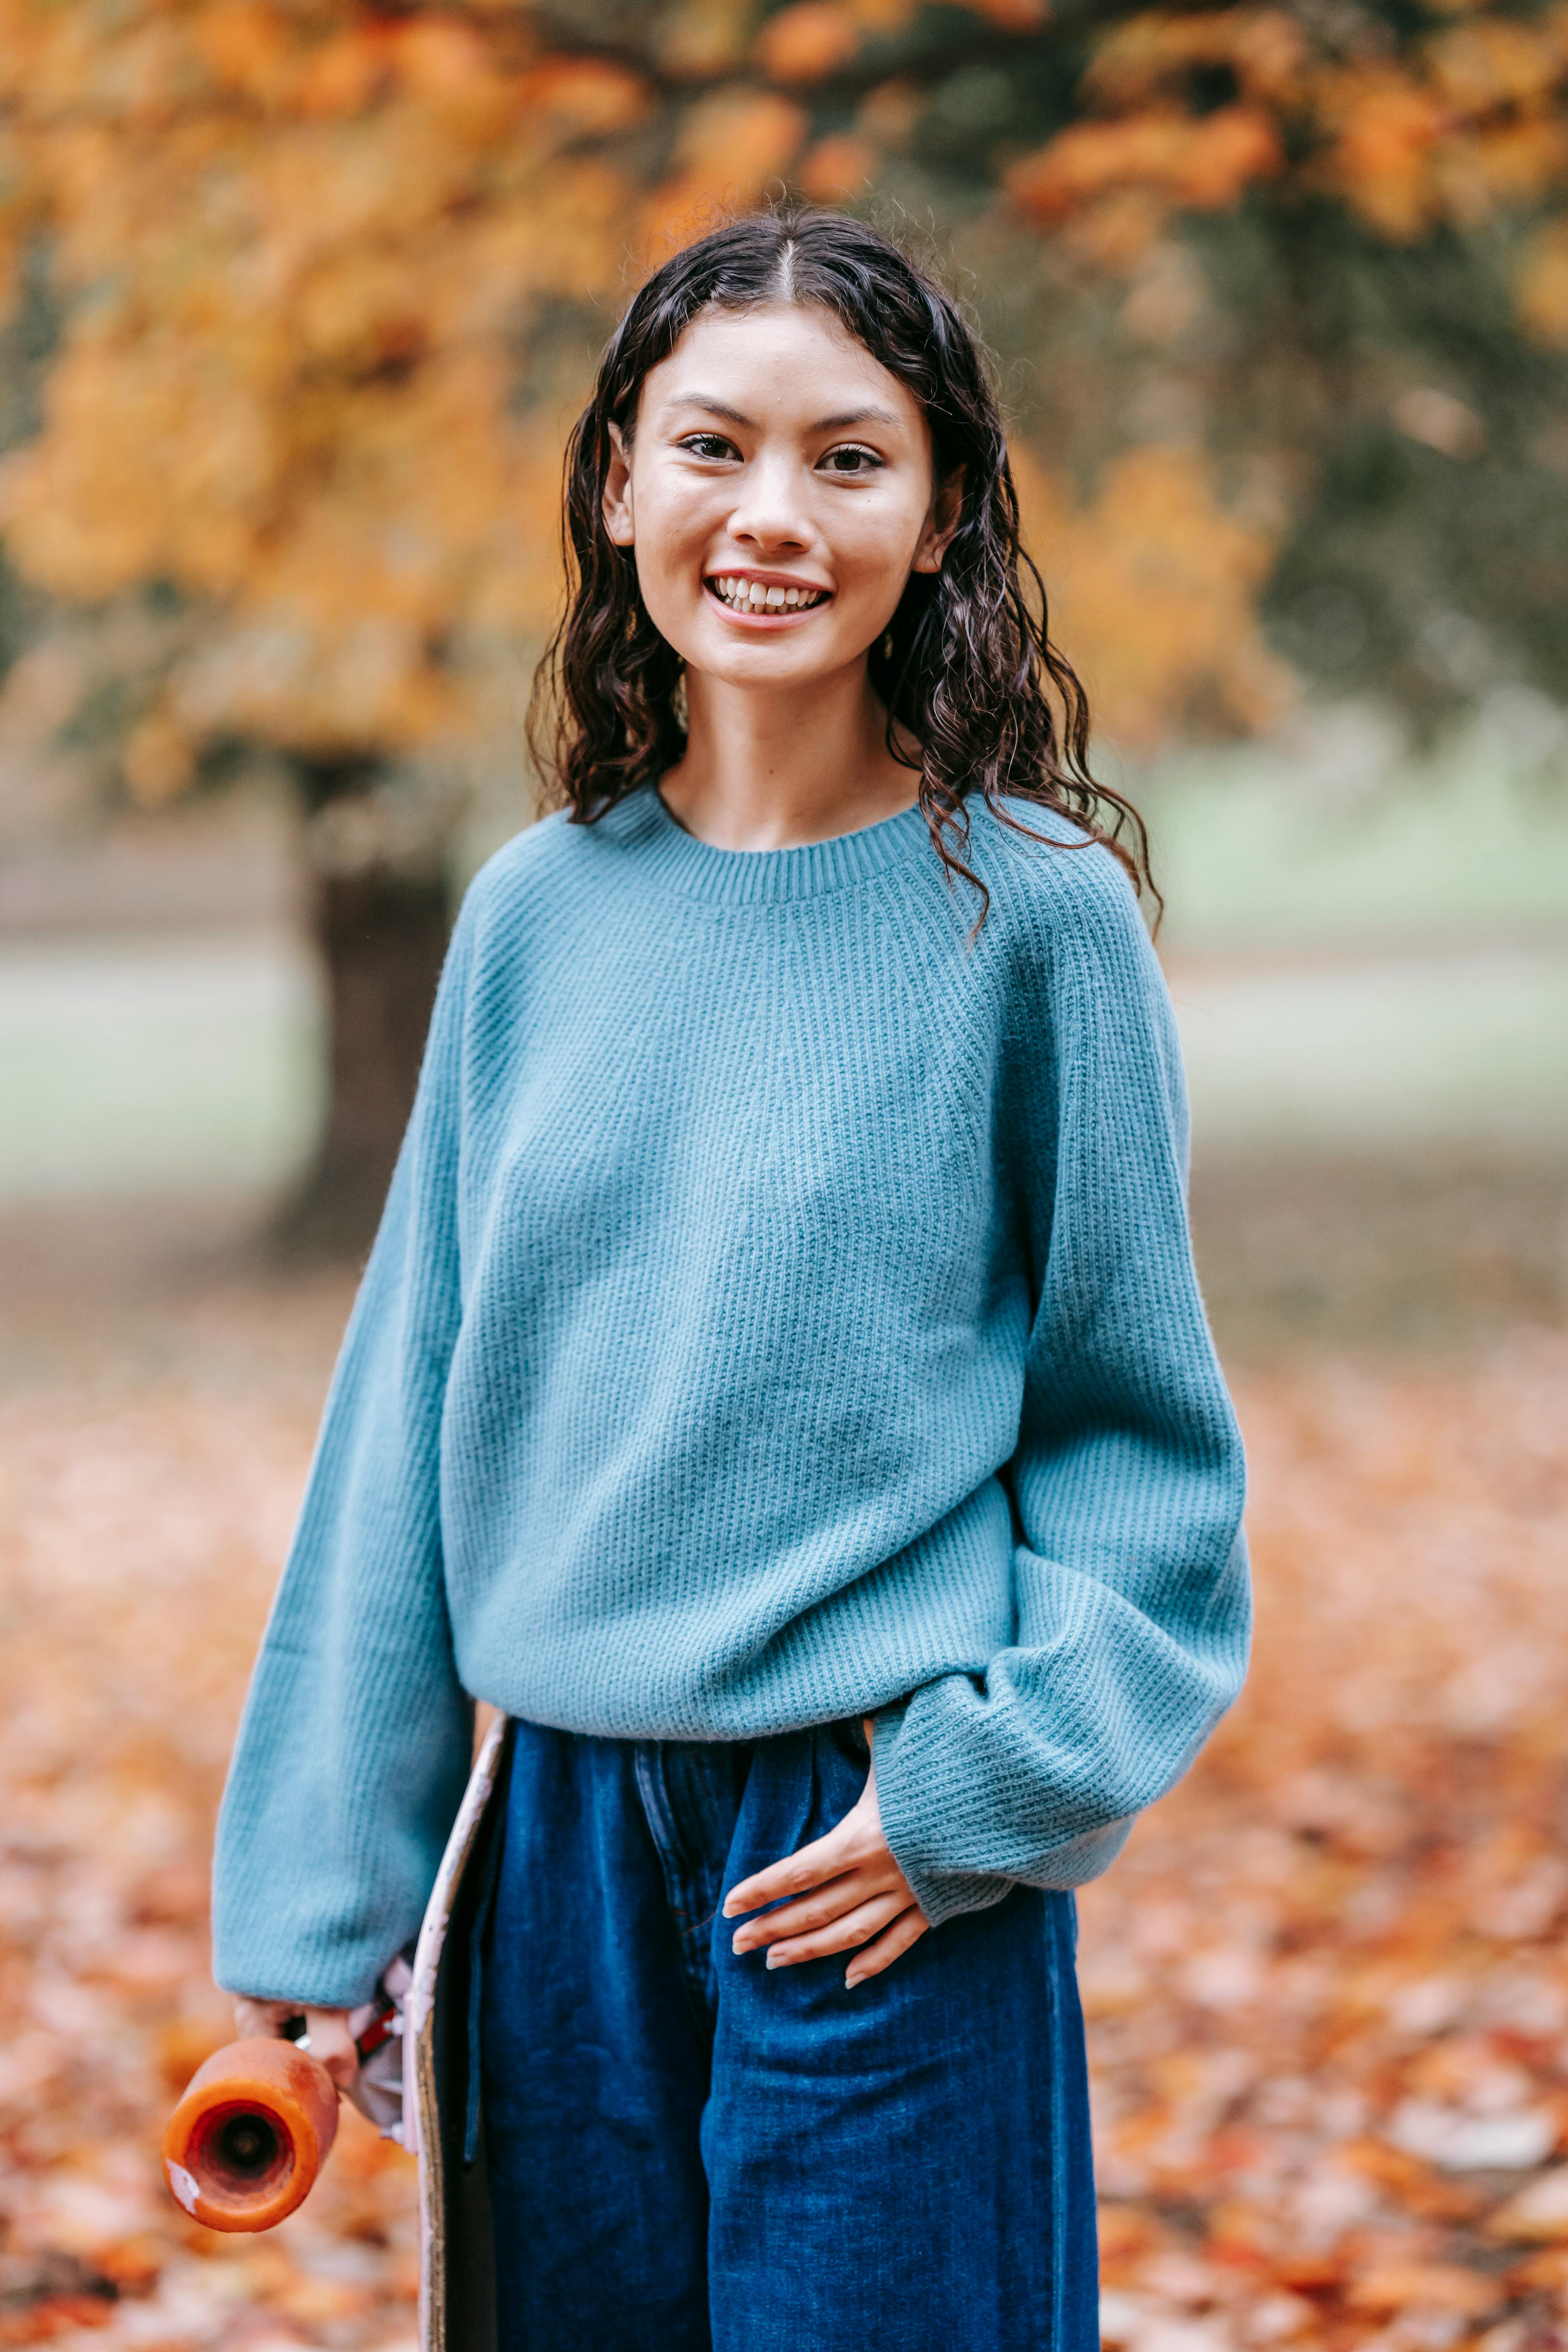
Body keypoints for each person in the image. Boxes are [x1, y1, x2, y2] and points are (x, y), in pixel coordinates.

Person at [212, 208, 1250, 2352]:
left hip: (872, 1843)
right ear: (620, 484)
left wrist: (989, 1787)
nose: (773, 516)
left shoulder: (1037, 924)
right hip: (555, 1850)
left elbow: (1139, 1449)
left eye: (850, 458)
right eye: (713, 446)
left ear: (942, 507)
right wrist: (328, 1890)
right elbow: (409, 1406)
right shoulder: (530, 918)